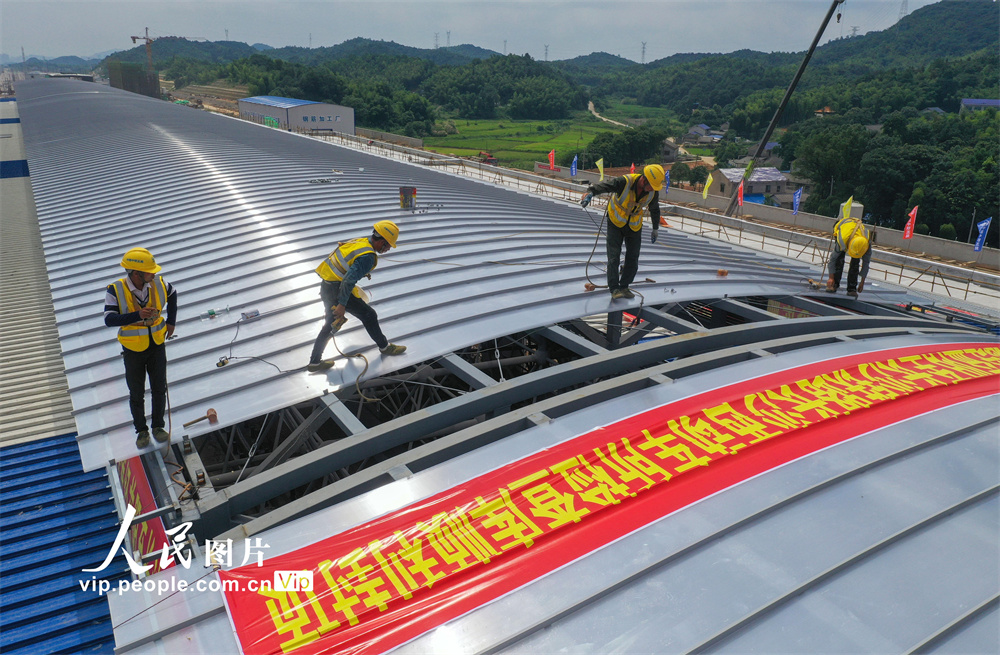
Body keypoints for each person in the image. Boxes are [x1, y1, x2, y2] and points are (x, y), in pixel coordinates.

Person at [308, 220, 406, 372]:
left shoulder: (361, 242)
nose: (387, 250)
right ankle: (384, 347)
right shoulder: (367, 256)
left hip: (327, 285)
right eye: (388, 246)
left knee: (331, 323)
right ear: (381, 242)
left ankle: (314, 362)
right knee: (369, 315)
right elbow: (348, 281)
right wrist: (342, 304)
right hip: (338, 289)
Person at [104, 248, 177, 449]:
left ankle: (158, 427)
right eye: (149, 272)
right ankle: (142, 431)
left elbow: (173, 293)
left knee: (159, 388)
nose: (153, 274)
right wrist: (138, 316)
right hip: (133, 350)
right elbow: (109, 319)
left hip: (156, 344)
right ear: (136, 274)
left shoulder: (159, 284)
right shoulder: (115, 290)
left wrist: (171, 322)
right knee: (136, 392)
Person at [580, 164, 665, 299]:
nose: (653, 189)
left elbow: (655, 209)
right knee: (614, 256)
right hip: (615, 221)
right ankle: (614, 289)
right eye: (651, 186)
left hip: (634, 224)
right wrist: (591, 192)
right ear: (644, 180)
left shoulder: (653, 191)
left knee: (633, 257)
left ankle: (624, 286)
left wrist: (655, 228)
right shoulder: (625, 181)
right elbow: (606, 186)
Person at [826, 216, 872, 298]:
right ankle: (834, 284)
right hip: (842, 227)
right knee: (839, 258)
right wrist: (831, 278)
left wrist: (862, 282)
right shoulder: (842, 240)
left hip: (856, 236)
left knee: (855, 263)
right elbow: (832, 260)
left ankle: (852, 288)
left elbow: (866, 263)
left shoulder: (866, 244)